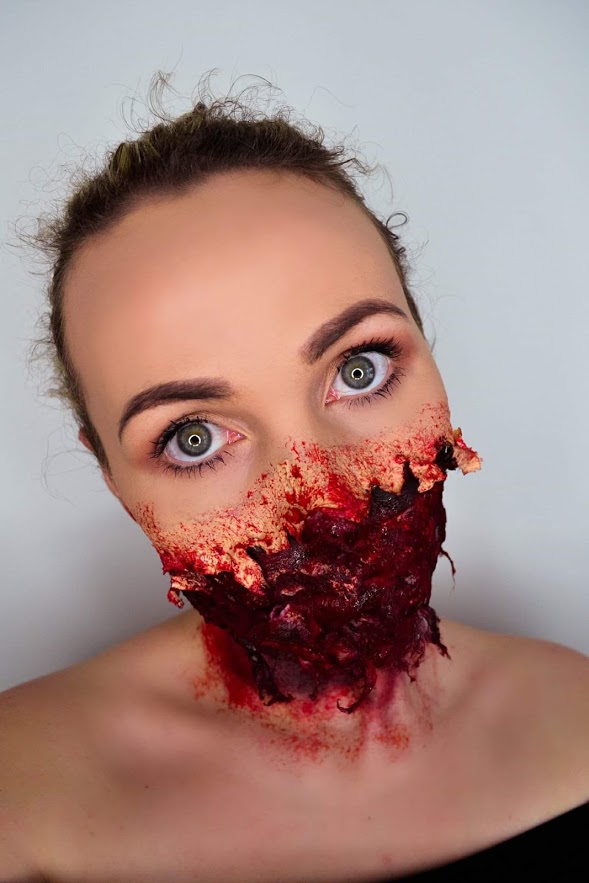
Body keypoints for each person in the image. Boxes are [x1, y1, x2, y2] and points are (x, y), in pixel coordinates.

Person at [1, 75, 588, 883]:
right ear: (115, 484)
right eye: (194, 437)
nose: (322, 494)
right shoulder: (19, 796)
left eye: (359, 367)